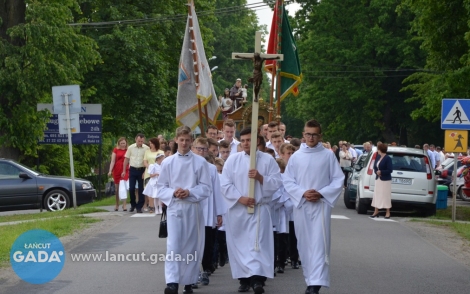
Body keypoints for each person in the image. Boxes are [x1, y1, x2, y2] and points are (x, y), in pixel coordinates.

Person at [283, 119, 344, 294]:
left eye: (314, 134)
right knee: (304, 243)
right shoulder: (296, 157)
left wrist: (322, 193)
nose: (311, 137)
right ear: (303, 134)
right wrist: (302, 193)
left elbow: (338, 180)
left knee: (319, 243)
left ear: (320, 135)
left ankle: (315, 284)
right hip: (302, 206)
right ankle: (310, 279)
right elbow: (287, 180)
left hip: (321, 206)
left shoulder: (328, 155)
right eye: (308, 134)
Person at [220, 127, 282, 294]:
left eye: (250, 140)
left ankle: (257, 280)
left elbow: (277, 182)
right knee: (240, 245)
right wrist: (240, 198)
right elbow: (225, 184)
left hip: (259, 210)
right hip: (239, 210)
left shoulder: (268, 160)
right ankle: (244, 280)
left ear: (257, 141)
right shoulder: (233, 160)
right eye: (244, 140)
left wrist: (261, 178)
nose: (247, 143)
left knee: (258, 245)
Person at [157, 126, 212, 294]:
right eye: (181, 140)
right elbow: (161, 187)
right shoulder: (168, 162)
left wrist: (190, 192)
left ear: (191, 141)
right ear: (176, 140)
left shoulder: (200, 162)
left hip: (193, 208)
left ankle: (189, 281)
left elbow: (206, 188)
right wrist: (173, 192)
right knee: (173, 245)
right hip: (175, 208)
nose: (184, 143)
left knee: (192, 246)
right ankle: (172, 282)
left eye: (188, 140)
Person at [191, 138, 225, 286]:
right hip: (192, 209)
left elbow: (217, 192)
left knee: (208, 242)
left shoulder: (211, 168)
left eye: (204, 149)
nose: (201, 152)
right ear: (193, 148)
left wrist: (219, 213)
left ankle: (205, 269)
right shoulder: (189, 165)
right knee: (192, 242)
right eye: (199, 148)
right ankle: (192, 273)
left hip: (208, 210)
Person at [122, 133, 149, 213]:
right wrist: (124, 170)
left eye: (141, 141)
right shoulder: (130, 147)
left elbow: (146, 160)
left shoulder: (146, 148)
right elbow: (126, 159)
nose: (140, 143)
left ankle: (139, 206)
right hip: (133, 169)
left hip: (141, 169)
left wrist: (145, 172)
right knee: (131, 188)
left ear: (143, 140)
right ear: (135, 139)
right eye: (139, 141)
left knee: (141, 189)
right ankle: (133, 204)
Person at [370, 143, 393, 219]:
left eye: (378, 149)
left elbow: (390, 170)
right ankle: (376, 211)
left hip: (385, 179)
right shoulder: (378, 157)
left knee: (385, 195)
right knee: (377, 194)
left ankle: (388, 212)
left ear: (380, 150)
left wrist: (382, 172)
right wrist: (377, 172)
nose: (377, 150)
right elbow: (375, 167)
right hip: (378, 179)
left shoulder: (388, 158)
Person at [108, 137, 129, 211]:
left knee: (124, 187)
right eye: (121, 143)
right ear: (119, 143)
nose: (123, 145)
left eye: (124, 143)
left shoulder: (128, 150)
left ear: (126, 143)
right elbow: (113, 161)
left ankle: (124, 204)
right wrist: (110, 170)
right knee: (117, 189)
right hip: (117, 169)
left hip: (125, 169)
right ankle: (117, 204)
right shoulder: (115, 150)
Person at [143, 137, 164, 213]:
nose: (150, 144)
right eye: (149, 143)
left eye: (151, 143)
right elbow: (145, 162)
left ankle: (158, 207)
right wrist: (151, 168)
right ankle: (151, 206)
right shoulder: (147, 152)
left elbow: (163, 162)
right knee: (150, 190)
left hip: (159, 173)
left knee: (157, 191)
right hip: (150, 171)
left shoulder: (161, 152)